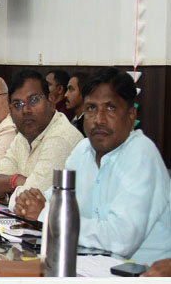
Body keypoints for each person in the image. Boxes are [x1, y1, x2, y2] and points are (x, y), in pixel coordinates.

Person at [14, 68, 170, 263]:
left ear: (131, 115)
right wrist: (28, 203)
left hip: (142, 272)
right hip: (87, 265)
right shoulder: (83, 150)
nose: (99, 120)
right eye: (91, 108)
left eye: (110, 108)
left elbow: (121, 239)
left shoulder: (141, 153)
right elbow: (52, 202)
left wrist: (47, 216)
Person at [0, 70, 83, 210]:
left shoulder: (61, 137)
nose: (26, 110)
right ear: (10, 111)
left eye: (34, 100)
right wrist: (15, 181)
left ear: (51, 101)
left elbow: (27, 203)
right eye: (18, 104)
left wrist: (8, 192)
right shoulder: (23, 136)